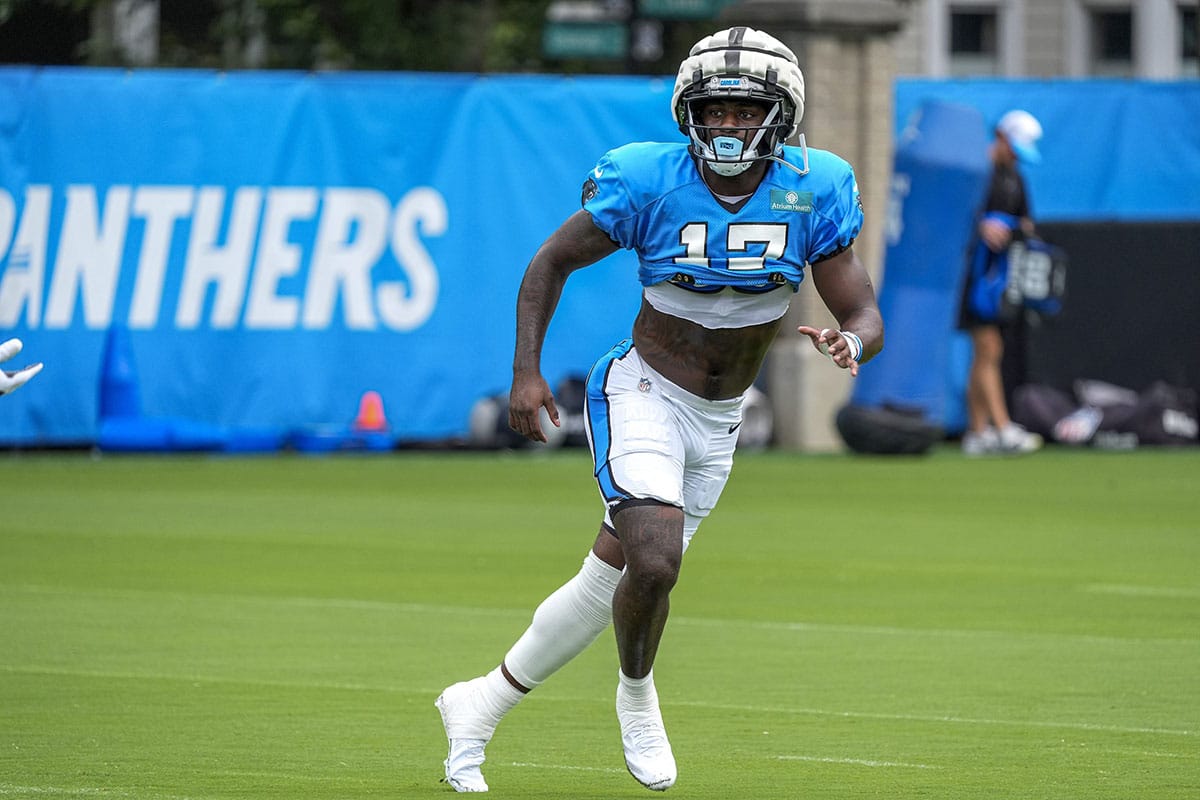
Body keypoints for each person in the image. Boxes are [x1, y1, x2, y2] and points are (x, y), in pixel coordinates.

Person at [435, 26, 883, 793]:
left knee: (605, 585)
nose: (729, 126)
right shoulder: (646, 179)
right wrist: (526, 373)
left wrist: (852, 343)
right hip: (643, 389)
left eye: (747, 112)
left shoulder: (815, 185)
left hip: (721, 418)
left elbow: (864, 311)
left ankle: (478, 704)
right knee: (656, 560)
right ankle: (637, 695)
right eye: (714, 111)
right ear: (690, 114)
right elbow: (549, 263)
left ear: (782, 113)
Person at [957, 109, 1045, 456]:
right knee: (989, 349)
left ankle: (977, 433)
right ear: (1002, 138)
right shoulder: (977, 173)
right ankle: (1003, 427)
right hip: (973, 277)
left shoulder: (1016, 178)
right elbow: (957, 215)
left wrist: (1011, 228)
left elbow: (1027, 223)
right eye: (1015, 147)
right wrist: (981, 225)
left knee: (987, 352)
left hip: (999, 280)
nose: (1015, 156)